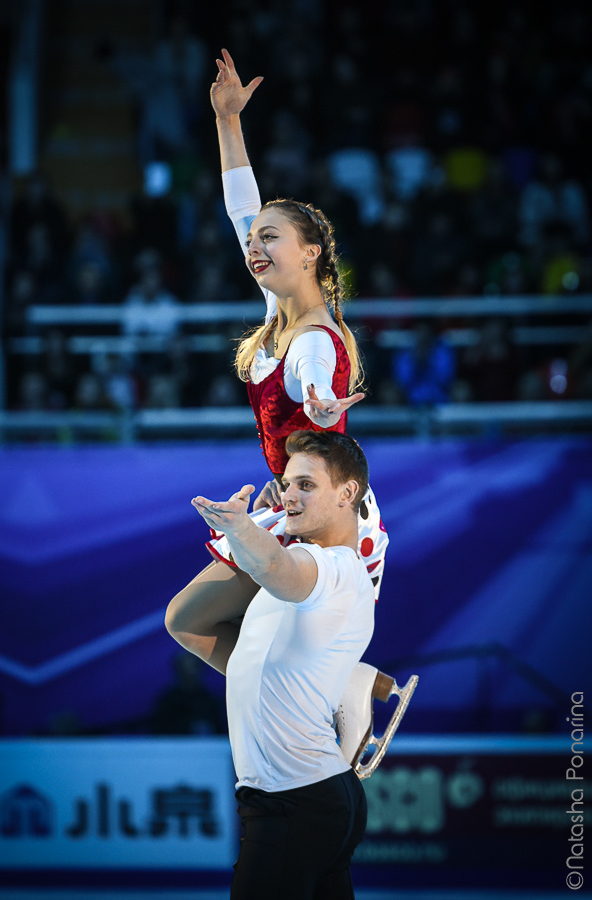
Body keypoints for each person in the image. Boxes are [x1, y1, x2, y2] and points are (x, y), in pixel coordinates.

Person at [166, 50, 413, 770]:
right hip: (295, 497)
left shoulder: (312, 341)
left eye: (270, 239)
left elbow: (311, 391)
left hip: (322, 518)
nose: (254, 246)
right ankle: (350, 691)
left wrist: (320, 403)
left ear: (309, 254)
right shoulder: (281, 309)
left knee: (191, 620)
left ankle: (339, 699)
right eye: (253, 242)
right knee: (192, 625)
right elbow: (242, 205)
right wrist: (227, 122)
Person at [191, 430, 372, 899]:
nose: (289, 495)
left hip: (295, 802)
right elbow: (185, 622)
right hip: (312, 797)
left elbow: (275, 568)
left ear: (347, 493)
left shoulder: (334, 570)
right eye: (286, 483)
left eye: (306, 486)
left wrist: (240, 528)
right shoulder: (310, 567)